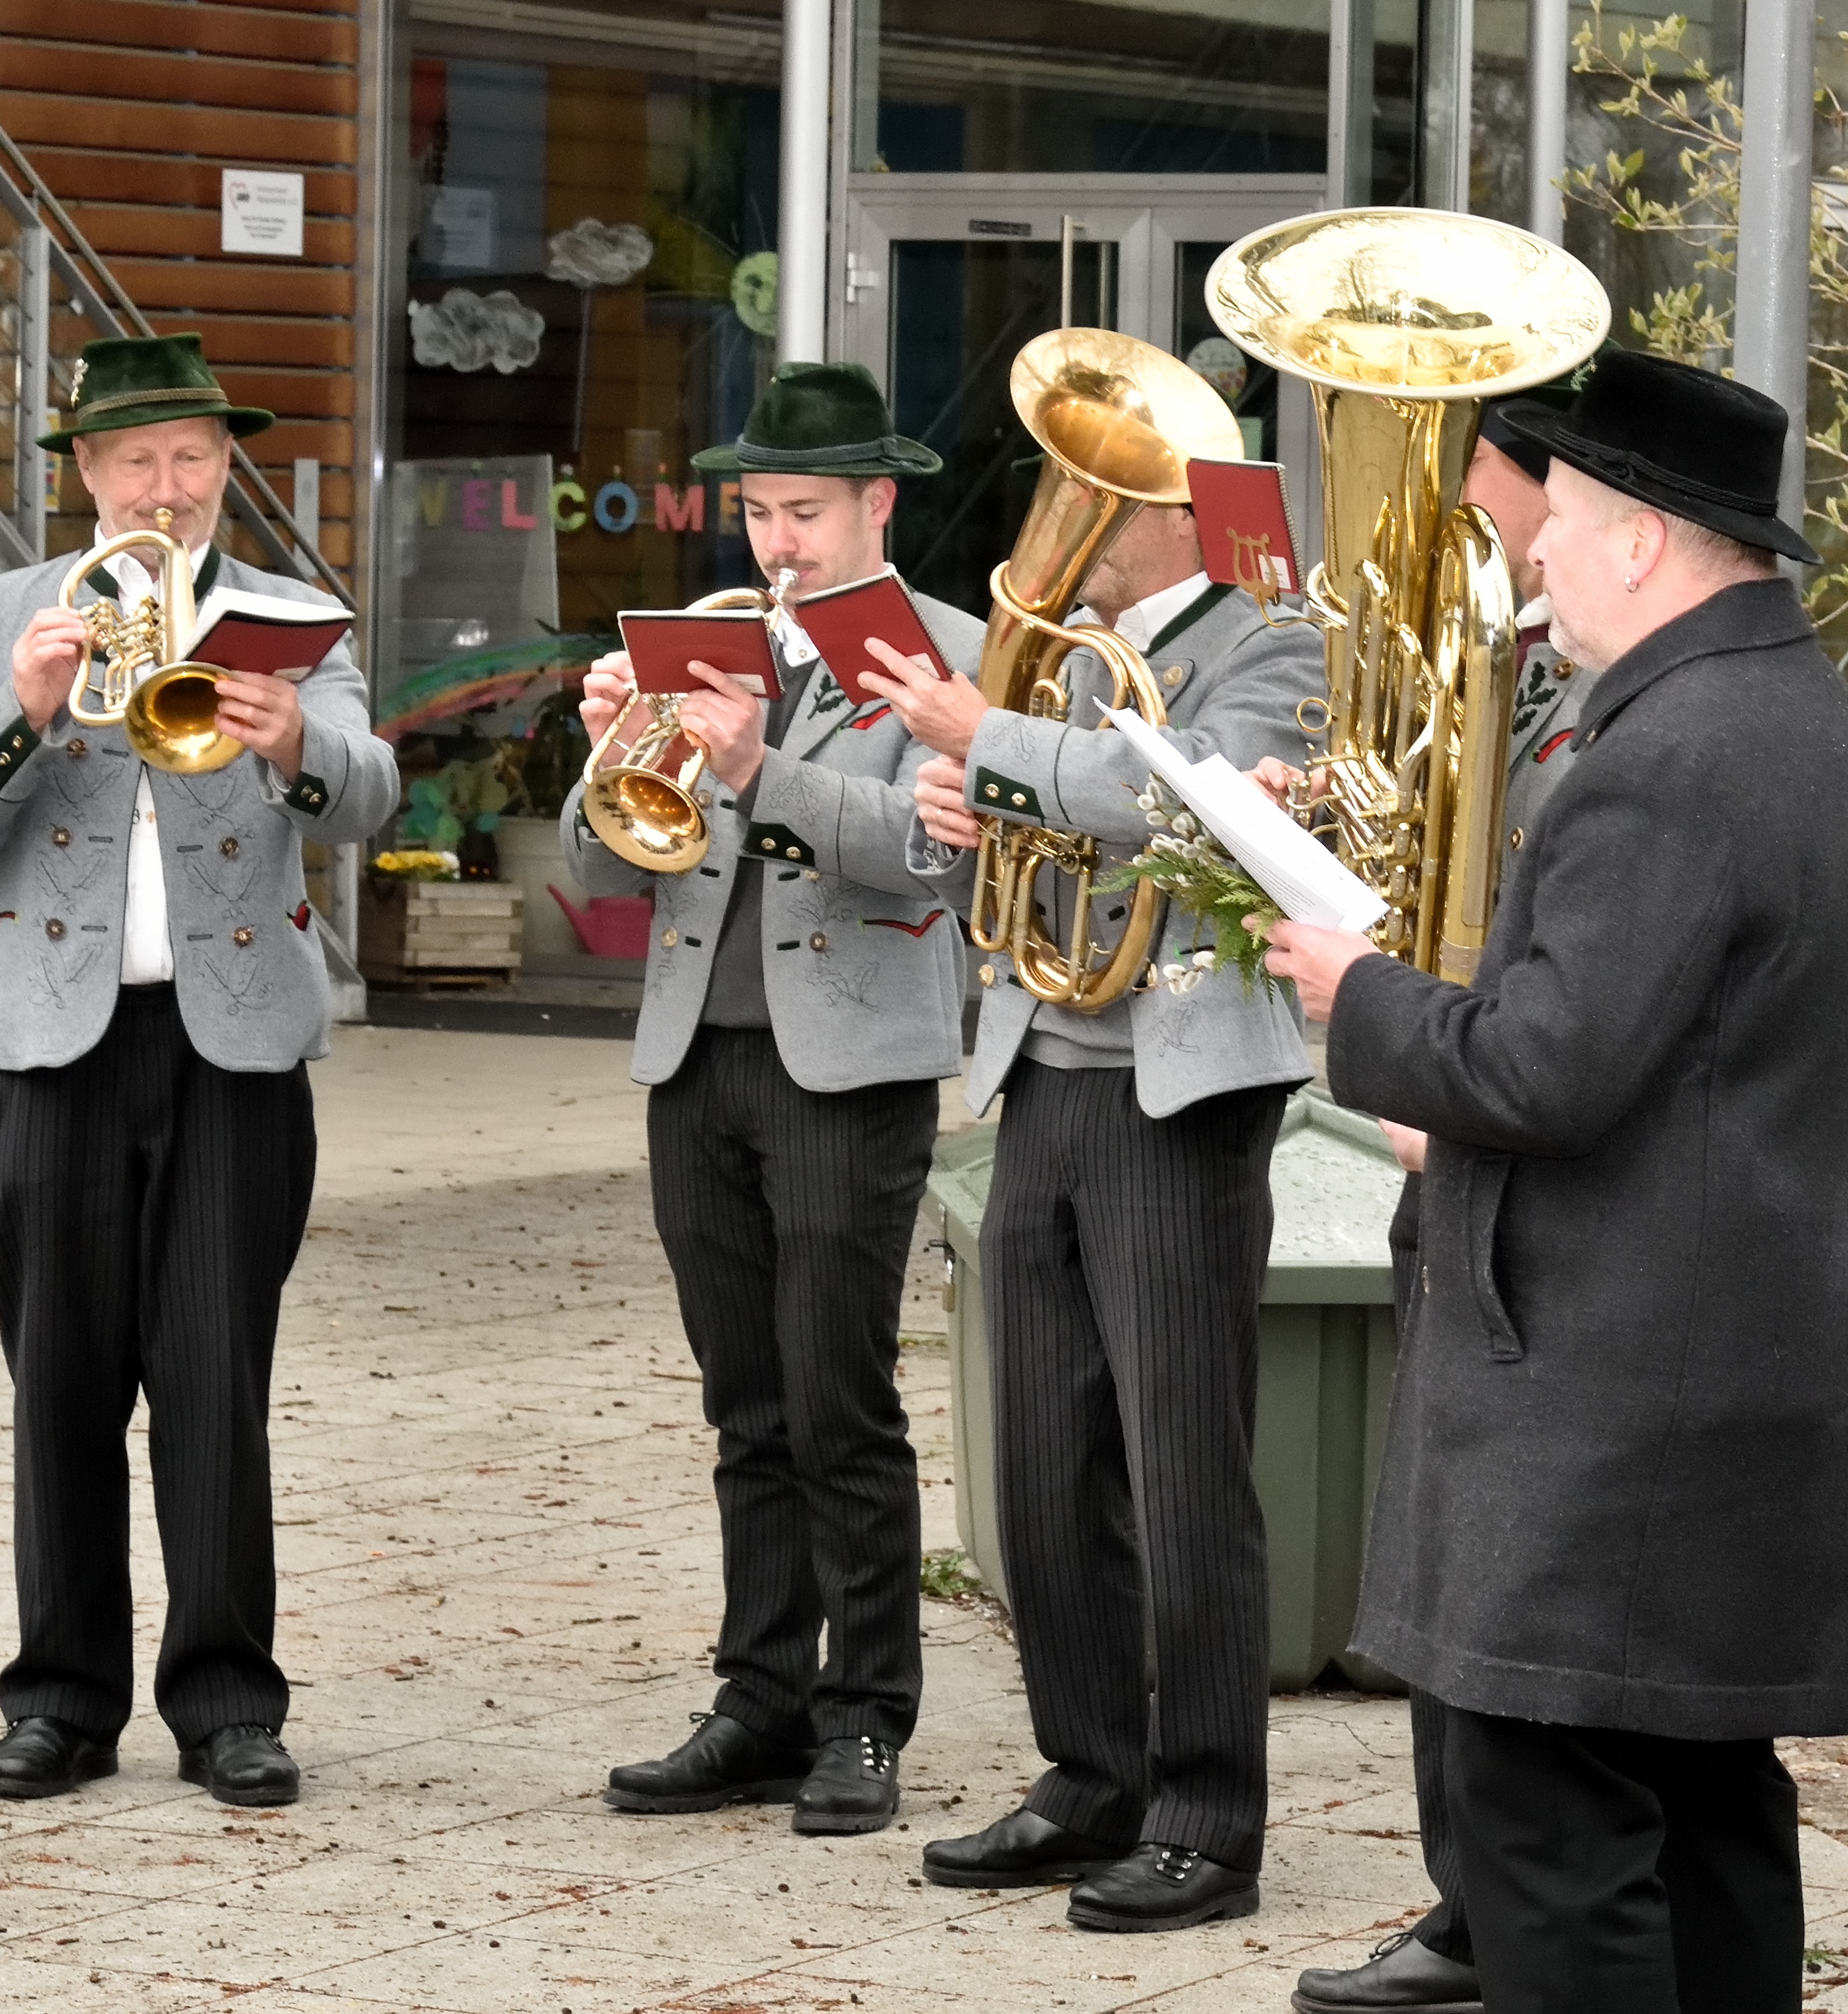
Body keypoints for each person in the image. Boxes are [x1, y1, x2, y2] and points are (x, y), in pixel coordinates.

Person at [1262, 350, 1848, 2012]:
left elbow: (1548, 1066)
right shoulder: (1806, 720)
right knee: (1709, 1826)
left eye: (1551, 524)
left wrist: (1359, 994)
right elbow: (1667, 1065)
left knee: (1554, 1844)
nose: (1530, 561)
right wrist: (1438, 1083)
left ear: (1636, 537)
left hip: (1611, 1413)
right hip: (1727, 1382)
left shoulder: (1674, 751)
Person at [0, 333, 399, 1809]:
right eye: (136, 463)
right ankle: (60, 1700)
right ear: (87, 479)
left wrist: (299, 735)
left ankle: (229, 1700)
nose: (166, 490)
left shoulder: (290, 616)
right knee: (59, 1385)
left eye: (192, 460)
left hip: (234, 1047)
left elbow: (370, 794)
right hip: (50, 1051)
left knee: (215, 1383)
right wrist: (23, 713)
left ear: (224, 470)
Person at [870, 497, 1327, 1933]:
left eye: (1096, 503)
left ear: (1175, 519)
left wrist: (984, 744)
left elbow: (1186, 794)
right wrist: (957, 812)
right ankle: (1088, 1775)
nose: (1058, 529)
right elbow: (1005, 851)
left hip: (1178, 1089)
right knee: (1046, 1463)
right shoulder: (1062, 658)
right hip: (1046, 1072)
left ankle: (1208, 1819)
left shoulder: (1278, 641)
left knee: (1182, 1468)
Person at [565, 363, 983, 1838]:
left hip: (850, 1068)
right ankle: (760, 1697)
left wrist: (761, 766)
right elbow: (605, 866)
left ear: (877, 503)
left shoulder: (948, 656)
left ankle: (867, 1714)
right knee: (745, 1403)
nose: (778, 542)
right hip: (699, 1059)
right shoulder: (711, 640)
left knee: (839, 1400)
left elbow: (935, 860)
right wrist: (613, 735)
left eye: (804, 511)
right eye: (757, 513)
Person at [1289, 383, 1586, 2014]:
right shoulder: (1506, 669)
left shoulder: (1584, 692)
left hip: (1491, 1132)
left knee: (1480, 1552)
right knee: (1433, 1538)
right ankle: (1461, 1892)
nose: (1449, 521)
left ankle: (1489, 1910)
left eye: (1468, 484)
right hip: (1448, 1121)